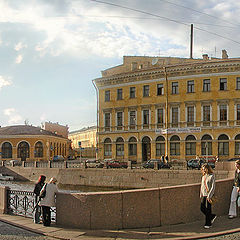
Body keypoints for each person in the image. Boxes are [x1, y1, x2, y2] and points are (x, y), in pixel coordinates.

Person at [200, 163, 217, 229]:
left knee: (208, 209)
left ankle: (208, 223)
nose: (204, 170)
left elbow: (213, 186)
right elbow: (202, 186)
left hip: (209, 195)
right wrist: (200, 193)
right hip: (204, 194)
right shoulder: (203, 176)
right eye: (203, 169)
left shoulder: (212, 176)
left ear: (208, 169)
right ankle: (212, 216)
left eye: (205, 169)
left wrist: (209, 195)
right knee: (202, 208)